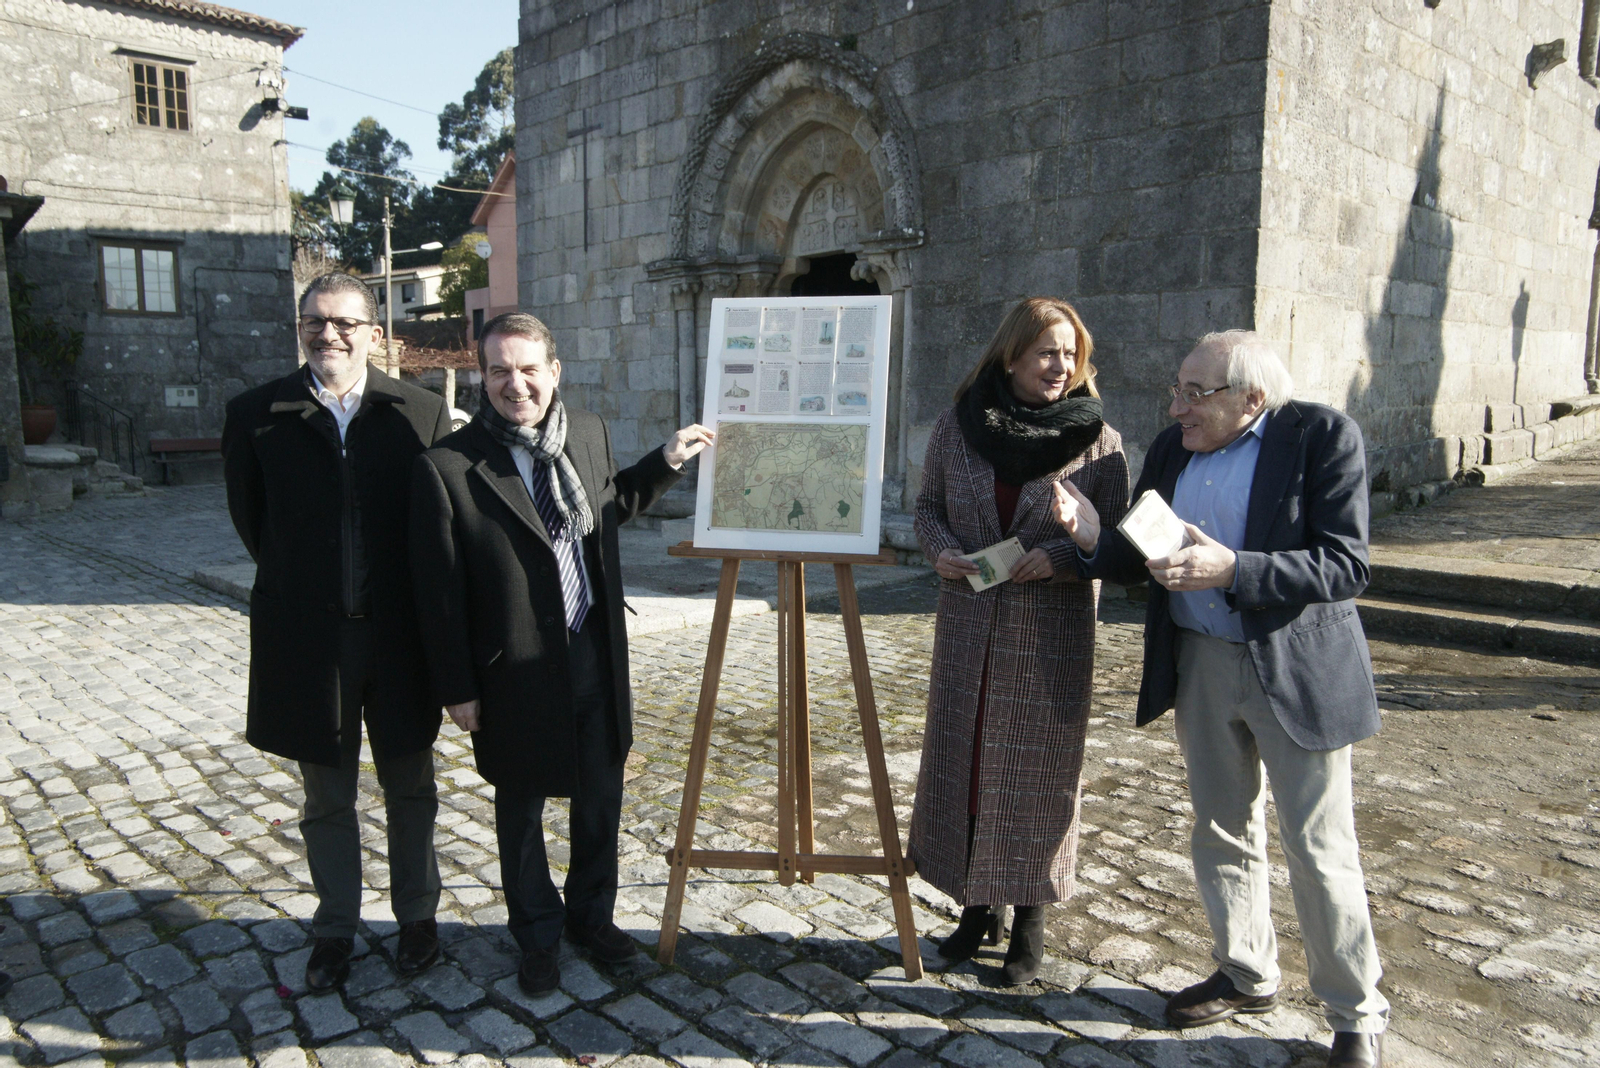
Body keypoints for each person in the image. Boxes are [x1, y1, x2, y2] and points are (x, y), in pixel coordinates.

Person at [1064, 330, 1389, 1068]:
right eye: (1176, 390)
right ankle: (1247, 972)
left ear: (1253, 398)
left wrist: (1234, 568)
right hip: (1201, 663)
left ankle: (1355, 1015)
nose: (1177, 406)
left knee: (1318, 846)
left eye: (1194, 393)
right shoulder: (1174, 449)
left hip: (1293, 666)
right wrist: (1091, 536)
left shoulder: (1321, 437)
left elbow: (1346, 563)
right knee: (1220, 828)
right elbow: (1142, 550)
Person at [409, 312, 713, 995]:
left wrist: (664, 463)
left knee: (600, 799)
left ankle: (591, 918)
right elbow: (439, 592)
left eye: (527, 368)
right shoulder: (449, 468)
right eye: (498, 371)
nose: (515, 384)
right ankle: (537, 934)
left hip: (593, 654)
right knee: (520, 809)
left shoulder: (591, 436)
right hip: (509, 668)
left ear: (554, 371)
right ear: (481, 376)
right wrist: (456, 686)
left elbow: (608, 507)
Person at [221, 272, 450, 990]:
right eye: (316, 321)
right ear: (301, 329)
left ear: (374, 334)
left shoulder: (420, 413)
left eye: (346, 323)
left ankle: (416, 918)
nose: (330, 334)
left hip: (400, 640)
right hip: (310, 643)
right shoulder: (257, 415)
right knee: (326, 796)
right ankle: (334, 928)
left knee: (411, 785)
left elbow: (435, 529)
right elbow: (254, 524)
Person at [908, 296, 1130, 985]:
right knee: (970, 764)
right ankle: (977, 909)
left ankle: (1030, 916)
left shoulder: (1099, 440)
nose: (1062, 366)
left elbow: (1116, 544)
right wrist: (941, 549)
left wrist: (1062, 558)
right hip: (969, 627)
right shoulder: (958, 426)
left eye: (1071, 354)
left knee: (1037, 777)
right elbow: (927, 508)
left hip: (1050, 634)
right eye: (1047, 352)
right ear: (1011, 355)